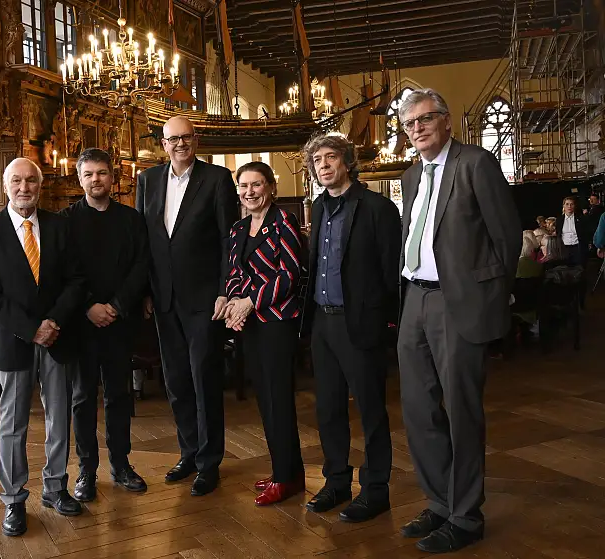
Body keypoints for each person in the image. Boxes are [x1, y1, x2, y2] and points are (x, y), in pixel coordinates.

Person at [396, 89, 521, 554]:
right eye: (410, 123)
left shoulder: (475, 163)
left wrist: (489, 298)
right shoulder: (411, 175)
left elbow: (506, 236)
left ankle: (466, 517)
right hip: (415, 297)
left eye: (426, 119)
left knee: (462, 413)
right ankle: (441, 502)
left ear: (446, 121)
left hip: (458, 302)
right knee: (417, 408)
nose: (418, 128)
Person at [0, 157, 85, 537]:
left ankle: (55, 488)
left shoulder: (60, 226)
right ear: (6, 186)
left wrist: (52, 323)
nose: (24, 188)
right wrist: (30, 329)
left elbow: (76, 281)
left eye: (31, 181)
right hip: (14, 340)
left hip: (57, 337)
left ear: (40, 185)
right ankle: (14, 499)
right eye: (17, 181)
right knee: (13, 423)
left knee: (59, 418)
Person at [300, 133, 401, 523]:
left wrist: (385, 323)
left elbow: (391, 272)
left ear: (347, 161)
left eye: (330, 157)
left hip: (360, 322)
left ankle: (375, 491)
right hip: (322, 323)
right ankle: (336, 482)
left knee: (371, 410)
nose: (323, 165)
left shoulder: (377, 208)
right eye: (317, 161)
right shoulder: (318, 207)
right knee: (328, 408)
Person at [135, 116, 238, 496]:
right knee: (176, 381)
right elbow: (143, 240)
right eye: (173, 139)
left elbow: (229, 240)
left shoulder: (217, 179)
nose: (180, 144)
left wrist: (225, 290)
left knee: (204, 380)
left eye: (186, 138)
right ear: (163, 144)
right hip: (163, 297)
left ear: (196, 140)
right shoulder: (147, 181)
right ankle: (189, 453)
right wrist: (145, 290)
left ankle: (210, 463)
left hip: (205, 299)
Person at [60, 148, 150, 502]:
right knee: (82, 398)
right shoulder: (65, 221)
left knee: (119, 395)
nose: (95, 179)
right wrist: (88, 307)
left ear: (113, 177)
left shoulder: (131, 219)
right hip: (81, 323)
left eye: (101, 173)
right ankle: (86, 470)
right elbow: (63, 271)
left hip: (119, 321)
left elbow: (141, 266)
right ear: (79, 179)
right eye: (88, 174)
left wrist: (115, 305)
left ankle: (121, 464)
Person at [221, 161, 305, 506]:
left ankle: (286, 478)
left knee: (278, 400)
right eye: (243, 186)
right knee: (265, 400)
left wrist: (249, 302)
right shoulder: (239, 227)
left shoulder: (284, 221)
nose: (249, 192)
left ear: (270, 186)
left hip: (277, 322)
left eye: (256, 184)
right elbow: (233, 272)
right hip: (251, 323)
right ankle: (287, 471)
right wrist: (234, 304)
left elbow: (290, 274)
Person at [556, 196, 588, 267]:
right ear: (563, 206)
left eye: (571, 204)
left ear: (574, 206)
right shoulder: (559, 220)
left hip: (577, 248)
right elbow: (558, 234)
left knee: (578, 268)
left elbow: (585, 234)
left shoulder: (581, 218)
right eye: (567, 204)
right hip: (564, 248)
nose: (569, 206)